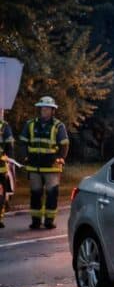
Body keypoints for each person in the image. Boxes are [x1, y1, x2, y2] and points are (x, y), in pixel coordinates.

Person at [19, 96, 69, 229]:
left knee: (52, 194)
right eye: (42, 108)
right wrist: (25, 157)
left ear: (53, 110)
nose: (44, 111)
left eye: (47, 108)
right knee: (35, 194)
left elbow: (64, 144)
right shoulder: (30, 124)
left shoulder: (58, 126)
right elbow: (22, 143)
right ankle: (35, 221)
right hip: (34, 166)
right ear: (39, 109)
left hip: (52, 167)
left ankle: (49, 221)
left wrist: (61, 158)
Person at [0, 116, 14, 228]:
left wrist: (8, 158)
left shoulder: (4, 127)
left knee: (0, 196)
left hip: (1, 168)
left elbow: (10, 146)